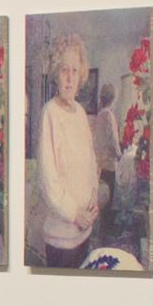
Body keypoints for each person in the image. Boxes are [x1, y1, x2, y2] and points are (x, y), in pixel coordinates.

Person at [32, 31, 103, 264]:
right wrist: (76, 214)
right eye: (64, 70)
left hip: (85, 231)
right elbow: (48, 181)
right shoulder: (49, 113)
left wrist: (93, 194)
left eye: (75, 71)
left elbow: (91, 162)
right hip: (61, 238)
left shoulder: (81, 113)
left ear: (81, 74)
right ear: (56, 74)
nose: (70, 78)